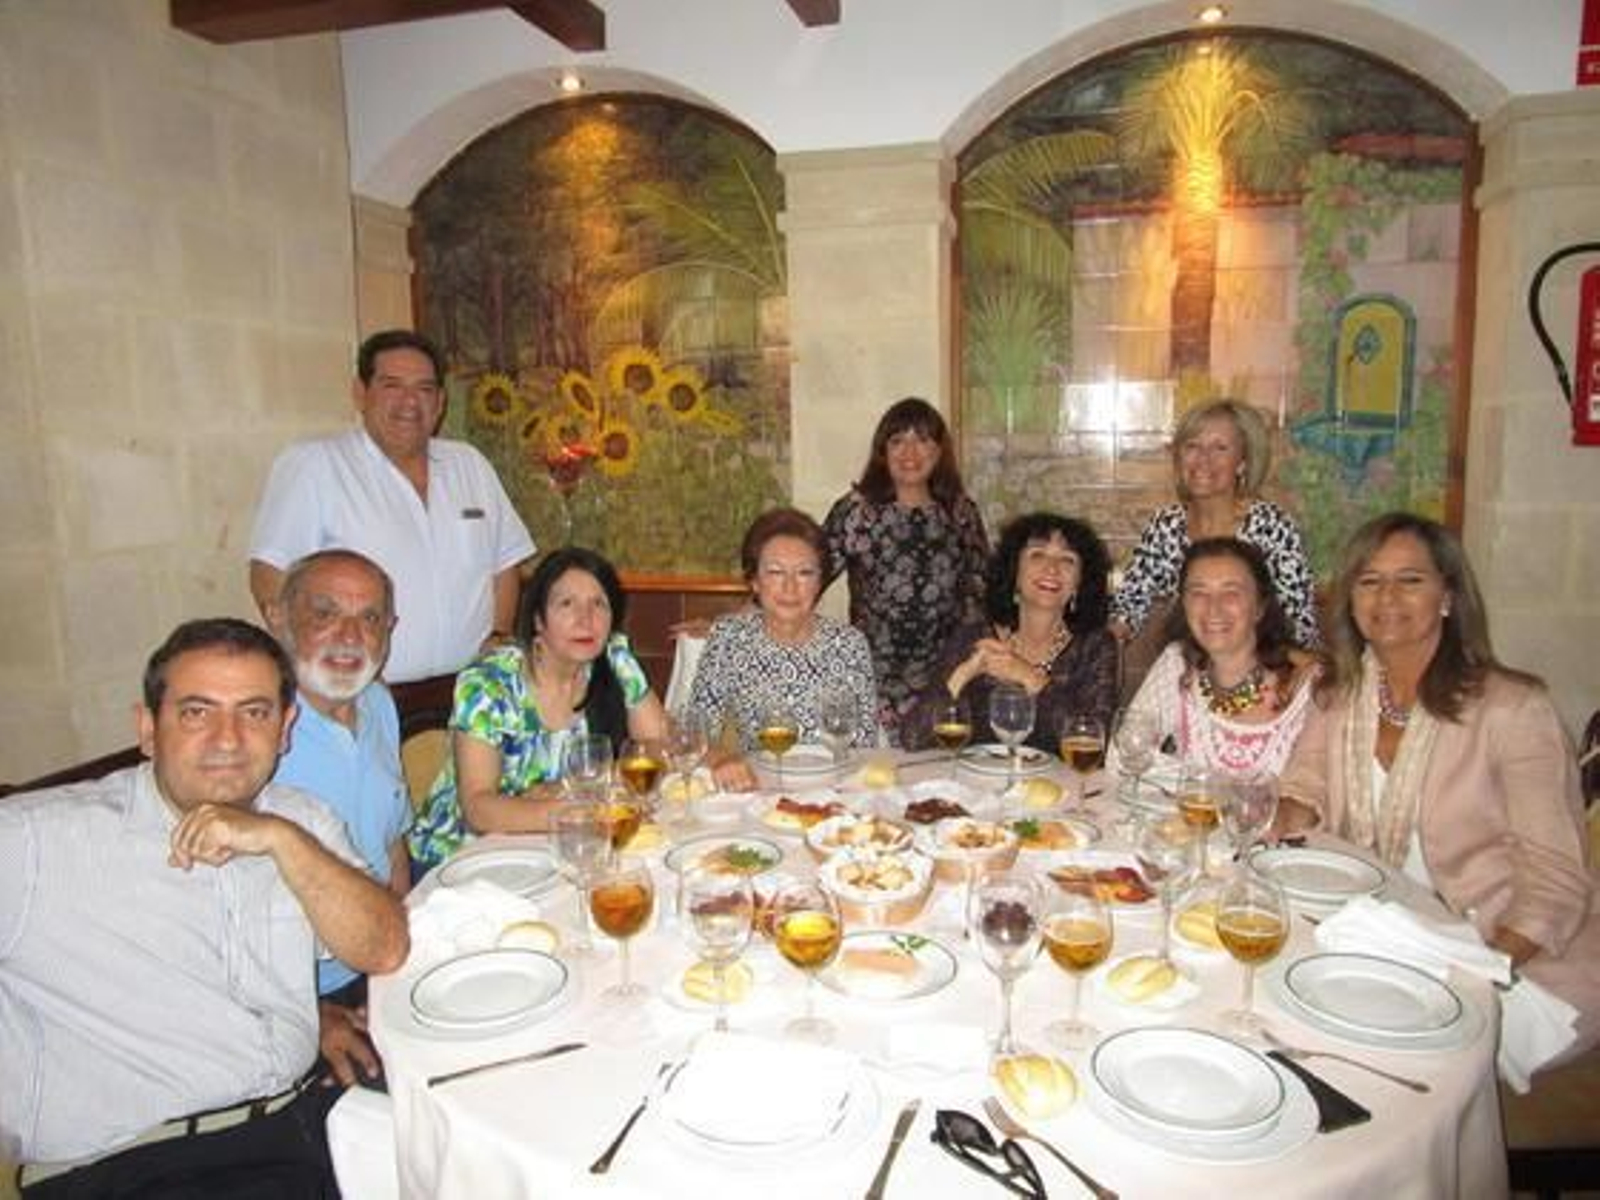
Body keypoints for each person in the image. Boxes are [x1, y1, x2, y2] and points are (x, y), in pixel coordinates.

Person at [0, 619, 409, 1196]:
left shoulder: (302, 821)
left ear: (285, 728)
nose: (228, 739)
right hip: (134, 1163)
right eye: (197, 712)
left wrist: (280, 840)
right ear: (147, 728)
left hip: (302, 1123)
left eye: (255, 712)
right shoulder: (38, 841)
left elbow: (385, 946)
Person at [1278, 512, 1599, 1062]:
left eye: (1411, 580)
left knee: (1355, 1052)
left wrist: (1484, 968)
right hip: (1382, 941)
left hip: (1510, 960)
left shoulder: (1513, 708)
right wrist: (1286, 818)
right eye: (1369, 580)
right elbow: (1303, 784)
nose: (1387, 597)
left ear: (1448, 596)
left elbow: (1556, 878)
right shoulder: (1340, 695)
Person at [248, 329, 536, 683]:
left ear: (441, 401)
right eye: (392, 386)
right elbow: (269, 575)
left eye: (424, 389)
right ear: (360, 393)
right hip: (365, 696)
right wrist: (327, 667)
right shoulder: (315, 465)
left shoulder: (470, 464)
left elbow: (504, 562)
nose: (409, 402)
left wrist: (498, 636)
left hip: (473, 690)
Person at [407, 547, 671, 872]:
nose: (585, 619)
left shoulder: (614, 658)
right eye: (566, 604)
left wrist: (576, 791)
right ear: (538, 620)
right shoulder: (491, 683)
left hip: (558, 848)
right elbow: (479, 808)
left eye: (598, 604)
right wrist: (573, 810)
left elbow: (657, 744)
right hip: (461, 859)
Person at [266, 550, 410, 1092]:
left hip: (382, 954)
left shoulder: (378, 704)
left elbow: (393, 841)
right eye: (326, 613)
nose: (350, 635)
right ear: (277, 616)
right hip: (305, 993)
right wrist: (309, 1013)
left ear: (389, 630)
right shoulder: (252, 736)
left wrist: (401, 950)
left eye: (370, 618)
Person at [822, 398, 989, 742]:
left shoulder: (960, 513)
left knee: (939, 787)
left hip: (945, 682)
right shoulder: (857, 512)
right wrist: (743, 614)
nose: (910, 452)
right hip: (870, 678)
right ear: (883, 450)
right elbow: (809, 575)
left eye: (923, 439)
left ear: (940, 450)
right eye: (898, 440)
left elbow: (982, 591)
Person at [1110, 398, 1319, 649]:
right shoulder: (1165, 526)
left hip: (1262, 663)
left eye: (1220, 448)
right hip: (1188, 664)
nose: (1203, 459)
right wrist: (1106, 642)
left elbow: (1299, 625)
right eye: (1192, 446)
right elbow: (1130, 602)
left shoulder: (1272, 526)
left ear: (1243, 462)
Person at [911, 512, 1118, 754]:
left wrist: (1027, 676)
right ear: (1014, 572)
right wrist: (964, 673)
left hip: (1057, 789)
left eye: (1067, 560)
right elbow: (914, 737)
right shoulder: (975, 636)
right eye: (1037, 554)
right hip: (976, 786)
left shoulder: (1096, 646)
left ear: (1080, 583)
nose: (1051, 568)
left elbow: (1093, 748)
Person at [1118, 538, 1322, 779]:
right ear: (1183, 605)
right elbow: (1123, 756)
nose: (1213, 608)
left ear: (1260, 607)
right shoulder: (1178, 663)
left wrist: (1192, 782)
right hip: (1187, 817)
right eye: (1199, 593)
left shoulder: (1307, 683)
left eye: (1231, 592)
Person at [688, 508, 879, 753]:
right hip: (759, 785)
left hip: (833, 785)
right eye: (776, 572)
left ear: (820, 582)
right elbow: (697, 733)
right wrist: (720, 759)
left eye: (804, 573)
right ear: (754, 581)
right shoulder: (729, 637)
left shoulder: (850, 645)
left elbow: (864, 746)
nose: (790, 587)